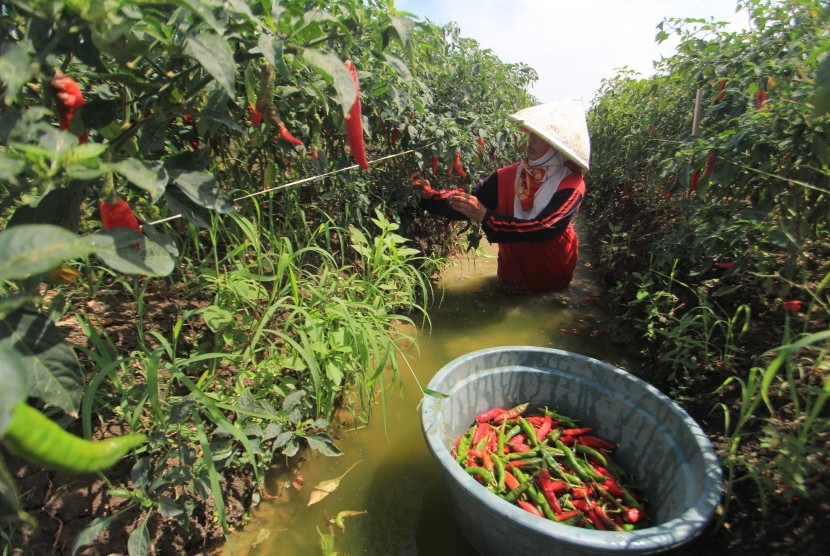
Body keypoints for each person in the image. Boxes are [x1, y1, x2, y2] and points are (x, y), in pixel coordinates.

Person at [410, 98, 591, 294]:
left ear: (557, 149)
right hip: (513, 266)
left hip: (551, 266)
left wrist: (487, 217)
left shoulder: (571, 183)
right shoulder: (508, 176)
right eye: (532, 135)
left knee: (549, 303)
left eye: (540, 138)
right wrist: (429, 195)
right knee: (509, 297)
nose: (531, 142)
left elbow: (545, 227)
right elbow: (468, 199)